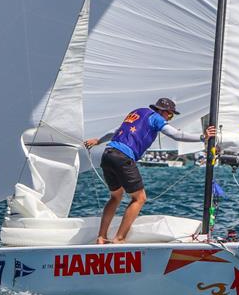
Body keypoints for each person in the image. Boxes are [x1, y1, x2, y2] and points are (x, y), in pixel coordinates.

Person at [85, 97, 216, 244]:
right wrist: (202, 137)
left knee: (116, 197)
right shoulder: (156, 118)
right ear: (162, 111)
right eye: (170, 115)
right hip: (123, 157)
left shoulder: (136, 113)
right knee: (139, 198)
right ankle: (119, 238)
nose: (169, 118)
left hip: (108, 154)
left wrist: (98, 141)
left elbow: (115, 130)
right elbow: (176, 135)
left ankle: (101, 237)